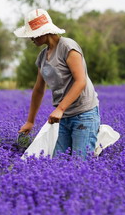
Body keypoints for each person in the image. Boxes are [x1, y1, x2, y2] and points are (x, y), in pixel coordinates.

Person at [14, 9, 100, 159]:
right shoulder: (42, 57)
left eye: (32, 35)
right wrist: (30, 121)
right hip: (63, 117)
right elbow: (39, 89)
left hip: (83, 114)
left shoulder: (68, 47)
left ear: (44, 32)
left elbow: (81, 81)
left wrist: (60, 108)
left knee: (80, 162)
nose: (30, 39)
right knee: (59, 163)